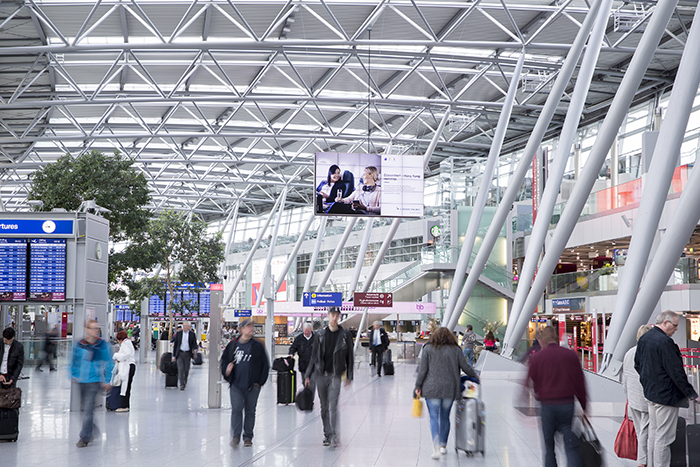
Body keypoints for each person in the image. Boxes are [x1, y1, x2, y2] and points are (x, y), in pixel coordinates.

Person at [635, 311, 698, 467]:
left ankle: (651, 464)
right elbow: (676, 371)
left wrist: (649, 382)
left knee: (654, 434)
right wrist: (691, 394)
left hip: (651, 395)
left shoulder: (644, 339)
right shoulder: (665, 342)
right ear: (665, 323)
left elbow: (638, 365)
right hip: (666, 397)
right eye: (675, 325)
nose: (676, 329)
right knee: (664, 438)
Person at [414, 327, 479, 460]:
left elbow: (422, 370)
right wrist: (476, 377)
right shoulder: (456, 349)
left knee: (433, 417)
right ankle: (443, 446)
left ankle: (436, 447)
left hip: (431, 389)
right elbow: (466, 367)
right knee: (445, 417)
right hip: (449, 389)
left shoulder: (428, 348)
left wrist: (418, 386)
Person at [526, 326, 587, 467]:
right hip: (567, 405)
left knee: (548, 448)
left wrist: (537, 393)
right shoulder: (570, 355)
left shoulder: (537, 358)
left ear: (542, 341)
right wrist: (584, 406)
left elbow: (530, 380)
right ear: (556, 338)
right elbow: (580, 382)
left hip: (547, 407)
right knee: (571, 446)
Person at [305, 307, 354, 447]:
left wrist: (349, 376)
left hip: (335, 375)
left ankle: (334, 435)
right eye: (332, 315)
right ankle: (327, 434)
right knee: (324, 407)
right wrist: (308, 374)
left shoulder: (345, 335)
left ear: (339, 317)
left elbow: (350, 357)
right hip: (321, 375)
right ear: (328, 316)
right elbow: (314, 357)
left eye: (336, 315)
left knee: (333, 406)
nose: (334, 317)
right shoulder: (320, 334)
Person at [220, 318, 269, 448]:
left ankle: (248, 436)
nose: (251, 329)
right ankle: (236, 436)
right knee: (236, 409)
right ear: (241, 330)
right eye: (248, 327)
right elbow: (224, 361)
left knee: (250, 411)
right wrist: (227, 371)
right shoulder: (232, 345)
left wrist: (260, 382)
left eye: (252, 326)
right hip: (236, 384)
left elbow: (265, 365)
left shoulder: (257, 346)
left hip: (253, 386)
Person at [70, 320, 113, 448]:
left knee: (88, 410)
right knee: (84, 411)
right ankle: (92, 430)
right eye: (93, 328)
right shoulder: (80, 344)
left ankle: (84, 438)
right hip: (81, 381)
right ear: (87, 329)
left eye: (97, 328)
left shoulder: (101, 345)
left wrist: (107, 380)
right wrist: (73, 373)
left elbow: (109, 363)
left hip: (94, 381)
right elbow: (74, 360)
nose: (95, 331)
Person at [622, 324, 653, 467]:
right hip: (646, 399)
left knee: (640, 430)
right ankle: (643, 461)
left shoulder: (629, 353)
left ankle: (644, 460)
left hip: (633, 399)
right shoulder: (648, 352)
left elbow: (624, 378)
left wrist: (628, 393)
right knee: (645, 431)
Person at [113, 330, 136, 413]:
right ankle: (125, 405)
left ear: (120, 339)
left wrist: (117, 356)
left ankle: (124, 406)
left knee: (125, 387)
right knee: (127, 386)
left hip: (128, 367)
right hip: (131, 366)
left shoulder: (125, 344)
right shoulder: (128, 343)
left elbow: (126, 355)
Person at [172, 322, 198, 391]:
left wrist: (195, 350)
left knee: (186, 369)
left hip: (188, 353)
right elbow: (176, 345)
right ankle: (181, 384)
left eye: (186, 326)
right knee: (180, 369)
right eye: (183, 326)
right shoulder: (179, 334)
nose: (184, 327)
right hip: (180, 353)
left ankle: (185, 381)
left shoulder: (192, 335)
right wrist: (174, 355)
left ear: (189, 327)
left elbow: (194, 344)